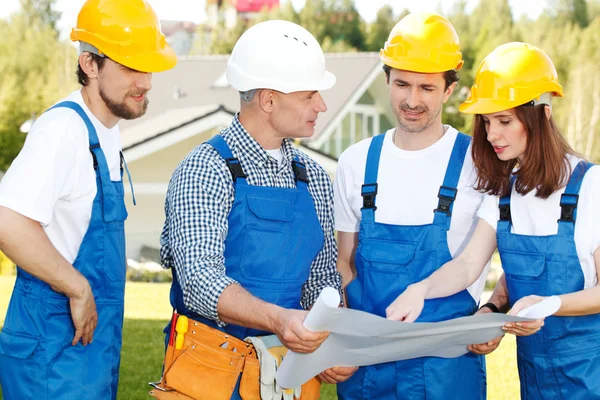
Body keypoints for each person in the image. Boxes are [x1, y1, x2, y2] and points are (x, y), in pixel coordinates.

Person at [387, 41, 600, 399]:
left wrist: (547, 305)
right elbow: (470, 263)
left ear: (542, 115)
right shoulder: (505, 192)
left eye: (504, 120)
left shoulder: (591, 186)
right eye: (487, 121)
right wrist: (482, 308)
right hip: (534, 378)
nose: (491, 135)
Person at [155, 20, 345, 400]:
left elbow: (323, 279)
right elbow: (197, 280)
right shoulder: (204, 169)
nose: (321, 106)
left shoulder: (317, 179)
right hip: (210, 373)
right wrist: (278, 319)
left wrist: (331, 341)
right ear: (269, 100)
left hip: (290, 374)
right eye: (310, 95)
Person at [0, 0, 177, 398]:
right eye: (131, 67)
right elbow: (7, 222)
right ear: (90, 64)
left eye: (147, 67)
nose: (146, 82)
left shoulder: (105, 130)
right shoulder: (63, 129)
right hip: (51, 349)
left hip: (87, 347)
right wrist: (77, 288)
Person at [333, 11, 489, 400]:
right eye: (402, 84)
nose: (412, 100)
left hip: (447, 370)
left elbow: (480, 262)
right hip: (366, 367)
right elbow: (343, 262)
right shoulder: (356, 161)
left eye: (427, 88)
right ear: (386, 78)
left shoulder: (480, 162)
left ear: (449, 90)